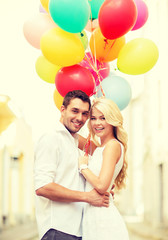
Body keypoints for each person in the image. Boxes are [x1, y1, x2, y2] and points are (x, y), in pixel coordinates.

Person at [34, 90, 110, 240]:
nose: (79, 118)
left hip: (76, 230)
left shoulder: (73, 141)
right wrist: (88, 197)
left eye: (85, 114)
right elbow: (42, 187)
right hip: (57, 229)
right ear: (63, 110)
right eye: (75, 111)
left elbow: (103, 151)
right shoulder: (51, 138)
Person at [78, 97, 130, 240]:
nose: (97, 123)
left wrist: (83, 167)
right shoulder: (100, 148)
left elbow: (101, 185)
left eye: (103, 118)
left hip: (103, 221)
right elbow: (73, 136)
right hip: (93, 217)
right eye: (93, 118)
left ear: (112, 120)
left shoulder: (112, 146)